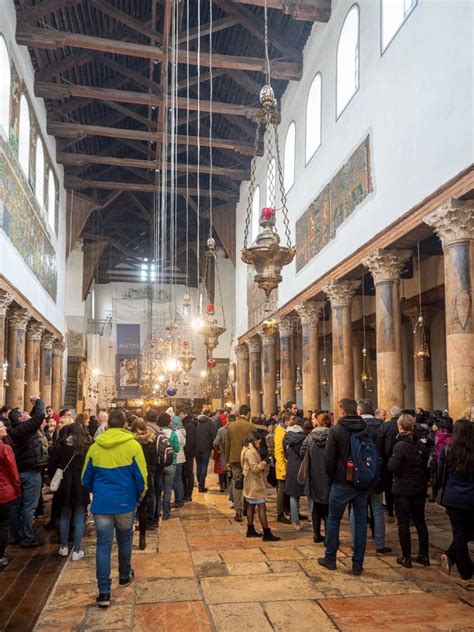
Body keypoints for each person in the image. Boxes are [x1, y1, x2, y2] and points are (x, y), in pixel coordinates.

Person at [82, 408, 147, 608]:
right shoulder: (133, 446)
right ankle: (125, 575)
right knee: (125, 539)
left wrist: (99, 492)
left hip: (102, 503)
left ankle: (104, 592)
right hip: (125, 502)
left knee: (103, 545)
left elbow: (86, 478)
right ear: (126, 425)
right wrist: (137, 497)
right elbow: (142, 479)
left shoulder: (95, 447)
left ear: (108, 425)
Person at [318, 398, 370, 576]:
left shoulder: (337, 430)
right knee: (361, 522)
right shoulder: (365, 427)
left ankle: (330, 558)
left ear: (341, 410)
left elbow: (329, 458)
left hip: (341, 482)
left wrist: (332, 478)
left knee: (333, 520)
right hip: (362, 482)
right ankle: (357, 564)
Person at [388, 413, 429, 569]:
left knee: (403, 523)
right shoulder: (419, 444)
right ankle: (423, 555)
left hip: (403, 489)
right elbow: (425, 464)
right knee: (420, 521)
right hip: (419, 487)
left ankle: (406, 557)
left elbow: (393, 466)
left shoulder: (400, 445)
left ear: (400, 426)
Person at [353, 399, 391, 555]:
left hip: (359, 472)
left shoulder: (355, 425)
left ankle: (356, 544)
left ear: (359, 411)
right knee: (377, 508)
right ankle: (380, 544)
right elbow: (388, 450)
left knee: (356, 509)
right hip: (377, 472)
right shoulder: (382, 425)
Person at [437, 419, 474, 580]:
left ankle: (464, 569)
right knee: (467, 532)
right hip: (471, 496)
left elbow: (440, 475)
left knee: (459, 533)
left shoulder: (447, 450)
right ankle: (462, 564)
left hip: (452, 497)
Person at [8, 398, 48, 547]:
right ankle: (27, 537)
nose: (27, 413)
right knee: (28, 507)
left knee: (18, 506)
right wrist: (38, 401)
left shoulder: (20, 428)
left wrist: (34, 406)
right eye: (23, 413)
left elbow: (32, 418)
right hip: (31, 473)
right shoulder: (23, 429)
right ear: (20, 418)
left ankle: (15, 535)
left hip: (22, 472)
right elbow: (38, 416)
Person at [49, 421, 91, 560]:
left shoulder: (61, 446)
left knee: (64, 516)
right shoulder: (86, 446)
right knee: (79, 518)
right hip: (81, 484)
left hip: (65, 485)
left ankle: (64, 547)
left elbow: (53, 465)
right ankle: (77, 550)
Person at [241, 431, 280, 541]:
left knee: (251, 506)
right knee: (262, 507)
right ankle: (266, 532)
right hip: (254, 483)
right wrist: (265, 462)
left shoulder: (246, 449)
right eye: (258, 441)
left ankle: (250, 529)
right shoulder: (250, 452)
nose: (259, 443)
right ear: (254, 440)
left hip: (250, 483)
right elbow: (255, 469)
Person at [302, 412, 331, 544]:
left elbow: (302, 451)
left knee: (315, 507)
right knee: (328, 507)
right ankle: (329, 537)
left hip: (313, 475)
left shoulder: (310, 436)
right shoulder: (332, 435)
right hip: (328, 475)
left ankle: (316, 534)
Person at [225, 404, 255, 522]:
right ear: (248, 413)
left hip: (235, 458)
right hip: (248, 457)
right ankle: (248, 509)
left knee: (237, 482)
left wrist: (227, 460)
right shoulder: (251, 426)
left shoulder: (231, 426)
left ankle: (238, 510)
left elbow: (227, 444)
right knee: (248, 482)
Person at [131, 417, 157, 550]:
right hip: (146, 474)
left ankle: (128, 537)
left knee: (130, 507)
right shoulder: (151, 440)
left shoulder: (130, 441)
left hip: (132, 476)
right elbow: (154, 459)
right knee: (143, 506)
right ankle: (142, 538)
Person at [0, 420, 21, 568]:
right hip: (4, 491)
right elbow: (13, 473)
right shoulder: (4, 449)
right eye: (1, 426)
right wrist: (18, 489)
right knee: (3, 525)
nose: (5, 427)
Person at [155, 413, 180, 520]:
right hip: (171, 463)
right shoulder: (173, 433)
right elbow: (177, 448)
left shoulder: (156, 432)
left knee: (157, 489)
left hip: (159, 464)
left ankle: (156, 512)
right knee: (168, 489)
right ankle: (166, 513)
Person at [283, 415, 306, 531]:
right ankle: (313, 519)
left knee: (293, 495)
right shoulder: (304, 436)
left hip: (291, 466)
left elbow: (284, 453)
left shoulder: (286, 437)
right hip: (303, 466)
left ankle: (296, 522)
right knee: (310, 495)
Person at [383, 404, 402, 518]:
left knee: (388, 484)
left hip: (388, 458)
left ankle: (390, 508)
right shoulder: (403, 424)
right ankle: (400, 508)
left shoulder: (386, 426)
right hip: (401, 458)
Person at [195, 413, 217, 493]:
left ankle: (199, 483)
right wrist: (213, 447)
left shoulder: (196, 423)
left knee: (198, 465)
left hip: (196, 448)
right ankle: (201, 485)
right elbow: (214, 435)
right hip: (206, 448)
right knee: (204, 466)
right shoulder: (210, 423)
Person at [180, 407, 196, 502]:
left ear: (185, 414)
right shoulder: (190, 423)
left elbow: (189, 441)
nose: (180, 416)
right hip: (190, 453)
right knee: (187, 473)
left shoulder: (188, 424)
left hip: (187, 454)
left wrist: (185, 453)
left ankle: (187, 494)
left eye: (181, 414)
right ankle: (187, 494)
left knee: (188, 473)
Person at [171, 415, 186, 508]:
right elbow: (183, 444)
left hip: (176, 458)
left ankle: (179, 500)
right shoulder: (182, 431)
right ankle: (180, 499)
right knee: (179, 479)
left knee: (176, 480)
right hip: (181, 457)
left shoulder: (175, 433)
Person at [213, 415, 228, 492]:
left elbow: (215, 443)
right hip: (232, 452)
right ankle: (227, 485)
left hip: (222, 452)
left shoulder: (221, 430)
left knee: (221, 470)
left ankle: (222, 485)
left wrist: (218, 450)